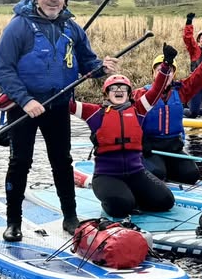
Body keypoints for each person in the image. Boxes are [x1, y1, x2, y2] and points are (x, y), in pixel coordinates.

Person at [0, 0, 117, 242]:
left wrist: (101, 68)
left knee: (62, 161)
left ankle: (70, 218)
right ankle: (13, 222)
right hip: (23, 107)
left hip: (58, 104)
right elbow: (2, 70)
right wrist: (26, 101)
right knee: (20, 162)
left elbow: (87, 63)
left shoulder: (71, 28)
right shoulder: (19, 26)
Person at [70, 40, 187, 218]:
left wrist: (166, 66)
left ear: (129, 93)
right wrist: (71, 74)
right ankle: (116, 198)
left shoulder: (139, 110)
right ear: (106, 93)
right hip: (107, 176)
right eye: (114, 88)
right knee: (123, 207)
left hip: (136, 172)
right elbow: (67, 104)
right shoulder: (94, 113)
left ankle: (132, 195)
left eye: (123, 88)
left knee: (165, 202)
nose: (119, 91)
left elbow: (156, 90)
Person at [135, 35, 202, 184]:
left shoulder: (181, 91)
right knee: (156, 174)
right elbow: (127, 118)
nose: (165, 74)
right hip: (149, 148)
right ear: (153, 73)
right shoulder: (140, 94)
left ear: (173, 74)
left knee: (191, 175)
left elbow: (199, 77)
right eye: (160, 70)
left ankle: (168, 171)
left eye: (170, 71)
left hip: (173, 147)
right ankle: (153, 171)